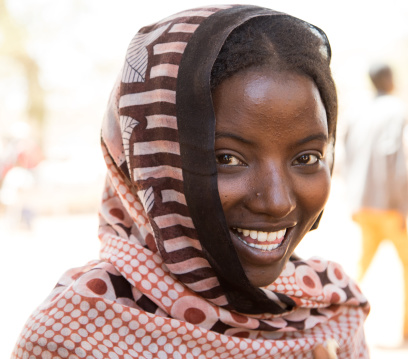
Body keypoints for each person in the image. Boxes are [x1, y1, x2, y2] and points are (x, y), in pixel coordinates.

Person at [12, 5, 369, 359]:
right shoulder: (73, 338)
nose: (277, 202)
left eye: (306, 158)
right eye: (227, 159)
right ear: (149, 163)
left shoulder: (328, 314)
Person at [344, 63, 408, 342]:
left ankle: (341, 321)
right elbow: (396, 157)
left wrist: (352, 200)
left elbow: (346, 155)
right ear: (389, 80)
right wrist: (402, 205)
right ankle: (406, 326)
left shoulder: (357, 110)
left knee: (363, 264)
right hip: (387, 203)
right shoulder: (395, 108)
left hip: (362, 203)